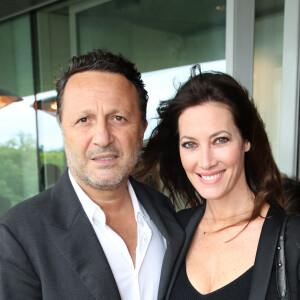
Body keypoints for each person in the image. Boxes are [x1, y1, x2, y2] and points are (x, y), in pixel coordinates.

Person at [0, 49, 184, 300]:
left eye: (118, 118)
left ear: (141, 131)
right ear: (64, 130)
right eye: (84, 119)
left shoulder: (162, 210)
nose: (102, 137)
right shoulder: (18, 234)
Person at [136, 66, 300, 299]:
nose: (205, 161)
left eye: (220, 140)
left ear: (246, 140)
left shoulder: (293, 239)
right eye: (190, 144)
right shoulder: (173, 231)